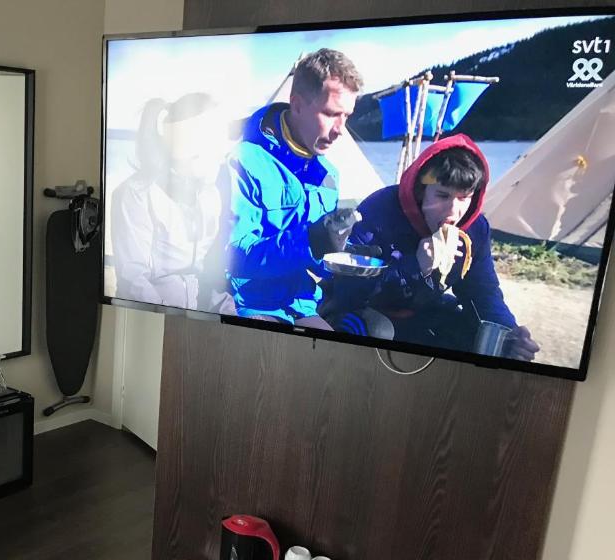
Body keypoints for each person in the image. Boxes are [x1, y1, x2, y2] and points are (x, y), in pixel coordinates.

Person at [328, 134, 539, 361]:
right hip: (366, 309)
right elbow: (348, 290)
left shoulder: (474, 230)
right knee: (376, 330)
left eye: (463, 198)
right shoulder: (380, 211)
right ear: (421, 191)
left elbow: (482, 293)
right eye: (442, 195)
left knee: (487, 341)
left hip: (423, 312)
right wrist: (416, 266)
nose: (453, 211)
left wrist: (508, 334)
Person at [224, 48, 364, 328]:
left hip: (301, 303)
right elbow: (233, 257)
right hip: (248, 304)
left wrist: (346, 250)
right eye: (331, 114)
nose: (340, 129)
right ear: (297, 105)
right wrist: (310, 241)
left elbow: (317, 265)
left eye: (347, 116)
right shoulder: (243, 161)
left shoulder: (328, 176)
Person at [110, 92, 231, 311]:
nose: (222, 157)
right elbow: (133, 283)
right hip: (152, 320)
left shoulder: (210, 195)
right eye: (214, 148)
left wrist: (228, 314)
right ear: (190, 151)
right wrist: (174, 319)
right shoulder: (135, 194)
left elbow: (211, 279)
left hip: (199, 320)